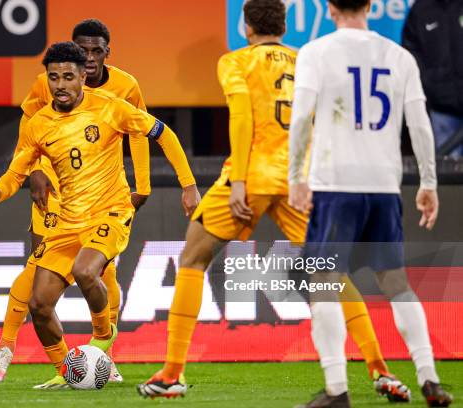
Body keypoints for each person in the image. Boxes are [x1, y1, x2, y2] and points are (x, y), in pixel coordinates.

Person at [137, 0, 408, 400]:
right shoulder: (310, 59)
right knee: (329, 272)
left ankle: (173, 372)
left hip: (254, 172)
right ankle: (380, 369)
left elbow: (243, 117)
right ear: (284, 25)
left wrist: (242, 182)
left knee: (193, 257)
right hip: (301, 178)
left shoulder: (236, 61)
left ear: (246, 26)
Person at [0, 41, 200, 389]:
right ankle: (66, 371)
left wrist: (188, 185)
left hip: (110, 212)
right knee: (39, 305)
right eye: (54, 78)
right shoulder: (39, 124)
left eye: (68, 76)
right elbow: (17, 170)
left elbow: (165, 135)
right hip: (68, 222)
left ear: (83, 76)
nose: (61, 85)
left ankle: (102, 337)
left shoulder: (112, 108)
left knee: (86, 270)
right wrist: (0, 190)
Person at [288, 0, 453, 406]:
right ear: (370, 6)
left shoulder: (316, 52)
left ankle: (336, 390)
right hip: (382, 185)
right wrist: (428, 181)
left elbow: (301, 117)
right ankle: (429, 379)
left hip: (335, 185)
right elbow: (419, 123)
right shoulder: (399, 56)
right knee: (396, 284)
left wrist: (295, 177)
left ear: (329, 9)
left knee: (323, 284)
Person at [402, 0, 463, 158]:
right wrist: (428, 89)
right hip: (442, 110)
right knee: (448, 175)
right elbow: (411, 54)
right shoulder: (421, 9)